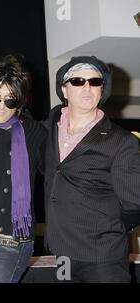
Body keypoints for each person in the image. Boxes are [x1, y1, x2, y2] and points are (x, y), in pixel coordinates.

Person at [44, 56, 140, 283]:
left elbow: (135, 204)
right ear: (64, 90)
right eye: (77, 81)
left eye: (95, 82)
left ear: (102, 90)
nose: (87, 87)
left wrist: (105, 230)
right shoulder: (47, 129)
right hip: (62, 254)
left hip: (103, 256)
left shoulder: (121, 140)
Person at [0, 55, 47, 283]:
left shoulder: (35, 134)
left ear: (20, 101)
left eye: (10, 101)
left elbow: (57, 178)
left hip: (12, 243)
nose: (2, 107)